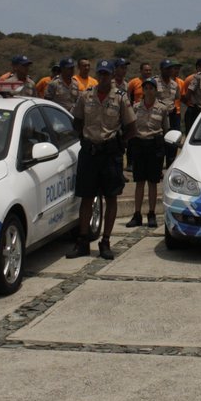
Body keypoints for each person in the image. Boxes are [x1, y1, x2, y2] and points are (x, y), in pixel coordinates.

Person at [68, 60, 136, 260]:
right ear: (97, 75)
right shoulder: (86, 95)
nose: (104, 77)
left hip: (110, 154)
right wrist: (84, 137)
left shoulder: (120, 98)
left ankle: (105, 241)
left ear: (113, 75)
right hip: (89, 152)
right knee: (86, 197)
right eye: (101, 73)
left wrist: (119, 144)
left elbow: (132, 128)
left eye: (107, 73)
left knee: (111, 197)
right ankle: (82, 242)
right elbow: (77, 120)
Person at [124, 79, 168, 229]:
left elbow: (165, 128)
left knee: (153, 182)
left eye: (151, 88)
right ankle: (137, 215)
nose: (148, 91)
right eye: (146, 88)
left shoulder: (162, 108)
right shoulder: (136, 108)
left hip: (155, 145)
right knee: (139, 181)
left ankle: (151, 213)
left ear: (156, 90)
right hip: (139, 144)